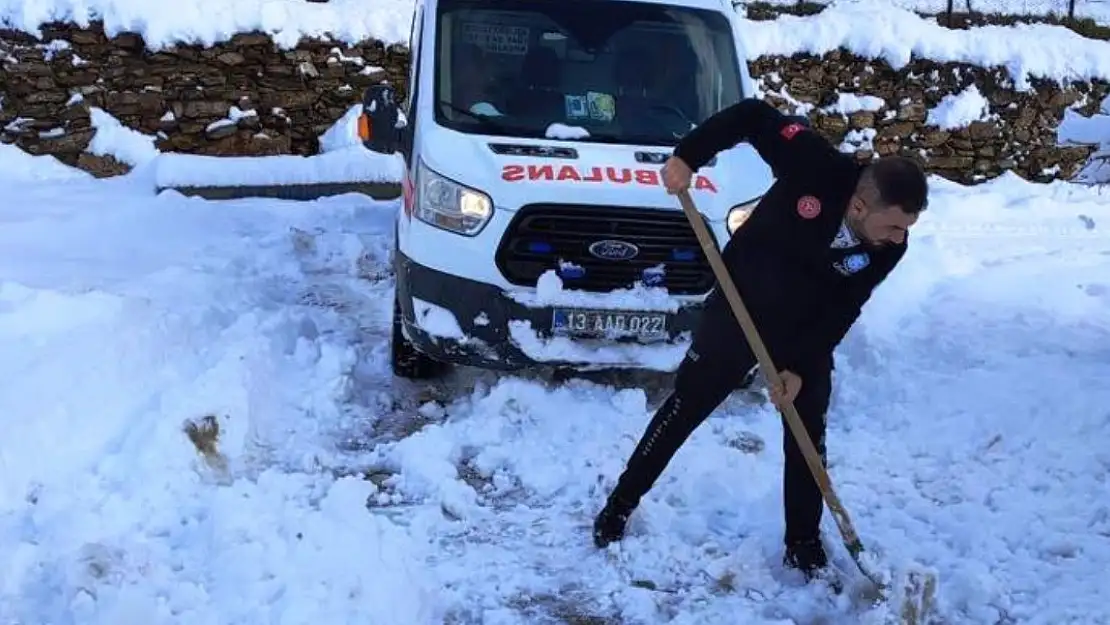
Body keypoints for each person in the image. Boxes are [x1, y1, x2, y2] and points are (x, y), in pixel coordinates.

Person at [591, 97, 928, 581]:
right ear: (859, 204)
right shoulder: (814, 164)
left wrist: (798, 366)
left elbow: (844, 308)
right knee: (689, 403)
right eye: (894, 225)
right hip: (741, 301)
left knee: (807, 426)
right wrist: (688, 156)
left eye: (907, 229)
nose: (900, 239)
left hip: (806, 326)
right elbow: (752, 116)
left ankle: (803, 543)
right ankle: (622, 502)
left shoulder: (890, 246)